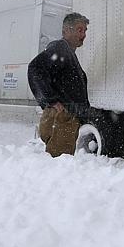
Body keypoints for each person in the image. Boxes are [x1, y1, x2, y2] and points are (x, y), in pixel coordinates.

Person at [27, 12, 90, 156]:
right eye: (80, 30)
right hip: (62, 118)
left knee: (60, 163)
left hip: (66, 118)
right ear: (66, 31)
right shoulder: (60, 49)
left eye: (85, 30)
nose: (84, 34)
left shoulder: (68, 52)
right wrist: (51, 100)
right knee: (60, 161)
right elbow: (35, 69)